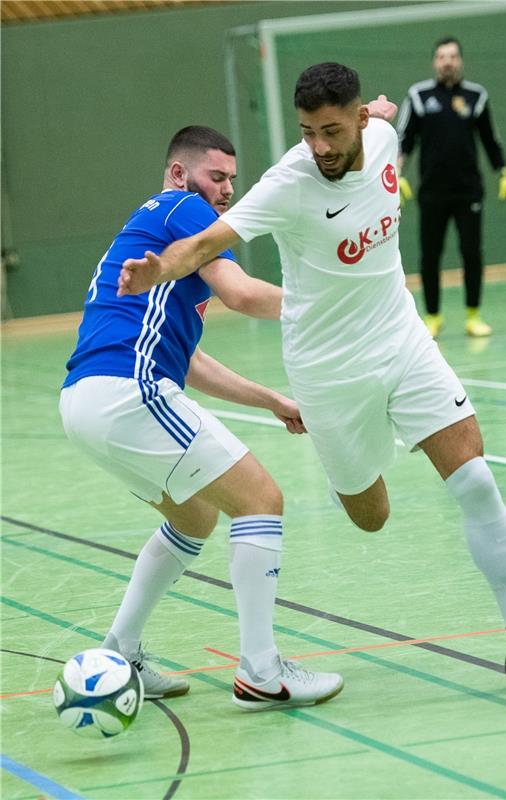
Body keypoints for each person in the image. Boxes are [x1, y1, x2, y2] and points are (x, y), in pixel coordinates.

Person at [118, 64, 506, 694]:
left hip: (401, 340)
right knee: (372, 515)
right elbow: (206, 243)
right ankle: (360, 461)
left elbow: (386, 119)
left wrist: (382, 113)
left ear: (361, 118)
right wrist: (157, 270)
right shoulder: (288, 182)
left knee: (474, 475)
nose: (322, 147)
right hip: (328, 371)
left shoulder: (385, 138)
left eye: (332, 130)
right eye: (308, 132)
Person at [60, 125, 344, 711]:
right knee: (260, 499)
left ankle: (123, 651)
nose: (225, 191)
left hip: (86, 402)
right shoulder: (183, 209)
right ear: (178, 174)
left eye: (232, 181)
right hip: (128, 392)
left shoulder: (156, 234)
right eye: (217, 177)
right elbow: (240, 294)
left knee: (194, 517)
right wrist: (334, 305)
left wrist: (273, 399)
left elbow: (187, 360)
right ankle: (262, 672)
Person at [396, 37, 506, 338]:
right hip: (432, 193)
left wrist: (502, 171)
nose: (446, 61)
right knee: (430, 255)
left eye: (452, 56)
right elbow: (404, 139)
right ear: (434, 62)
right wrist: (395, 173)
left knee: (472, 253)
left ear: (460, 60)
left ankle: (473, 316)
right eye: (440, 56)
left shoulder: (476, 96)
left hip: (468, 192)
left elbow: (490, 138)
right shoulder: (420, 96)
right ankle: (432, 317)